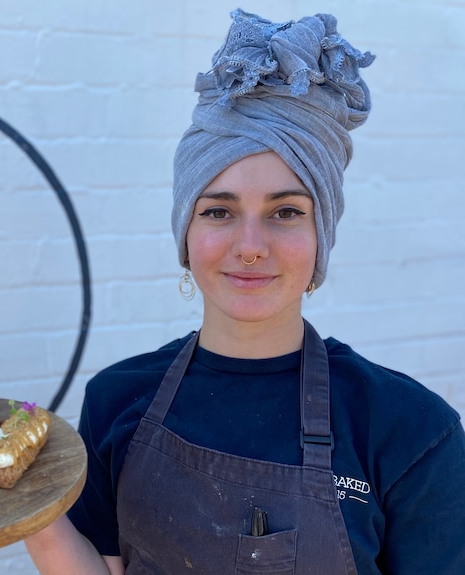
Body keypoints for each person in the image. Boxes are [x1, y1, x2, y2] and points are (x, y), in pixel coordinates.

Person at [24, 8, 465, 575]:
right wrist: (26, 500)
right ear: (186, 233)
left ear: (319, 236)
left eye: (285, 211)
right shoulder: (115, 400)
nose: (250, 245)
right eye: (218, 210)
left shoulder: (408, 428)